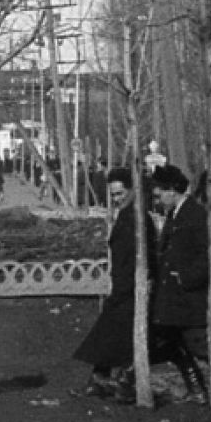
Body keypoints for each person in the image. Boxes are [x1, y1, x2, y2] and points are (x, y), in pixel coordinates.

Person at [149, 164, 211, 409]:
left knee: (200, 345)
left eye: (159, 194)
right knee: (172, 344)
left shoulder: (195, 215)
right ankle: (197, 389)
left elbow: (210, 256)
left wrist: (184, 278)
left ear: (172, 191)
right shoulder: (176, 214)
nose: (157, 200)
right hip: (172, 298)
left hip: (188, 297)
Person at [70, 167, 154, 400]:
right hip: (122, 285)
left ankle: (121, 381)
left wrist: (136, 285)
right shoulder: (126, 216)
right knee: (108, 333)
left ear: (133, 190)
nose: (117, 199)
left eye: (121, 193)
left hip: (131, 287)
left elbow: (143, 256)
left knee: (119, 336)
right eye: (114, 195)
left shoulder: (138, 219)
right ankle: (100, 379)